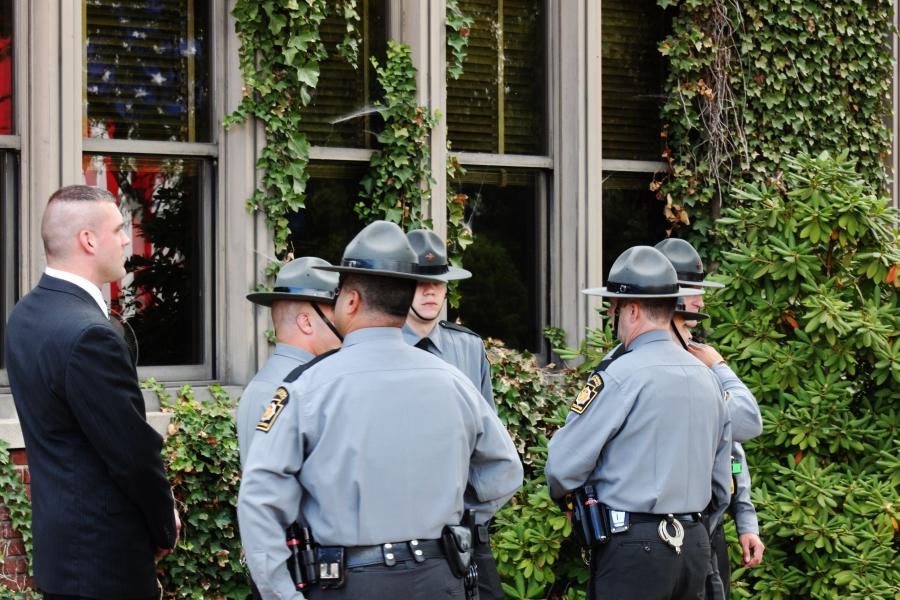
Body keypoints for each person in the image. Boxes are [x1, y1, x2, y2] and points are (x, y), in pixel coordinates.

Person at [238, 220, 523, 599]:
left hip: (349, 582)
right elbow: (504, 471)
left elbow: (259, 500)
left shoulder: (307, 387)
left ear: (351, 301)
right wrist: (449, 515)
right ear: (406, 301)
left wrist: (282, 594)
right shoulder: (453, 382)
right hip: (439, 577)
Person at [4, 185, 179, 599]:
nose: (125, 238)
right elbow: (132, 455)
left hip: (61, 559)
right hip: (105, 566)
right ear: (87, 240)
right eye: (119, 228)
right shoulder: (90, 335)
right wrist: (164, 524)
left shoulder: (25, 315)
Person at [545, 245, 732, 600]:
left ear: (631, 310)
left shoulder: (619, 376)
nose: (611, 316)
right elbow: (722, 481)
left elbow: (562, 467)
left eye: (613, 308)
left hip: (635, 547)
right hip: (694, 545)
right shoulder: (708, 377)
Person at [656, 238, 766, 597]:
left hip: (707, 530)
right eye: (693, 291)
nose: (702, 301)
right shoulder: (640, 365)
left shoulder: (699, 355)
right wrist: (719, 366)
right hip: (656, 535)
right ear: (668, 294)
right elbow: (748, 417)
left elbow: (732, 449)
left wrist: (745, 520)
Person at [403, 228, 502, 599]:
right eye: (420, 282)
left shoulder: (467, 347)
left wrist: (475, 511)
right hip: (402, 529)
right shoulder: (378, 352)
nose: (431, 291)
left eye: (438, 282)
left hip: (463, 522)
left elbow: (489, 441)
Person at [237, 256, 342, 466]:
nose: (346, 322)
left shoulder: (270, 383)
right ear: (306, 322)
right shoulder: (299, 388)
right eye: (337, 313)